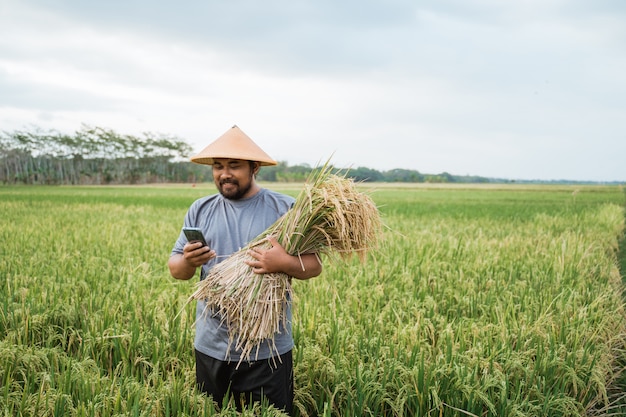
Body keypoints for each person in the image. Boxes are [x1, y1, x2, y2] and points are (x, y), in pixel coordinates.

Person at [168, 125, 322, 414]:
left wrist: (283, 263)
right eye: (218, 166)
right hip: (211, 345)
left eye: (234, 165)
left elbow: (314, 265)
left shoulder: (285, 209)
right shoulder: (200, 209)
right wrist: (189, 261)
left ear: (255, 168)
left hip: (268, 350)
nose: (224, 173)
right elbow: (176, 269)